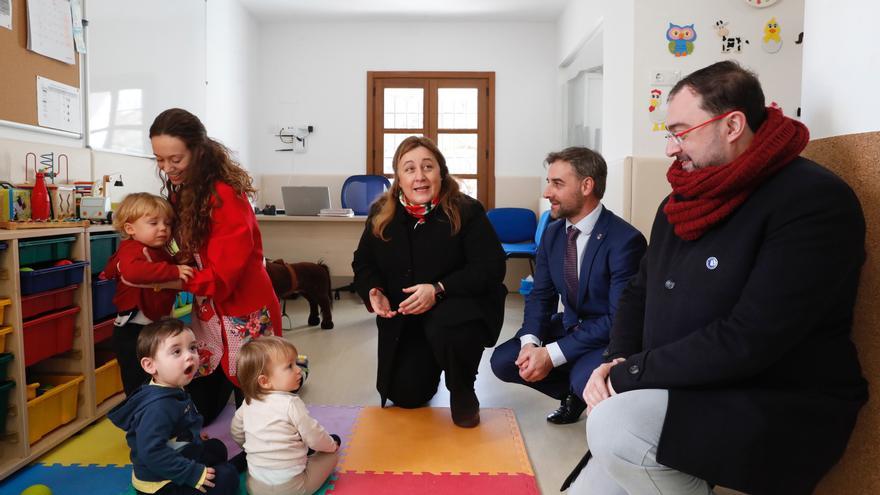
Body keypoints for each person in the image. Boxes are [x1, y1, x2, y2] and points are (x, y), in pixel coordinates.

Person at [566, 61, 867, 495]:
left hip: (772, 400)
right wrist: (616, 360)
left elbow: (752, 337)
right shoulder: (683, 199)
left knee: (616, 426)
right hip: (682, 387)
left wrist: (628, 375)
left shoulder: (812, 201)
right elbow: (639, 293)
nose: (671, 149)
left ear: (732, 125)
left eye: (681, 132)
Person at [351, 136, 507, 428]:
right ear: (398, 177)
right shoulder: (381, 214)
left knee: (446, 323)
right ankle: (433, 359)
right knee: (406, 395)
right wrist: (374, 290)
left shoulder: (466, 210)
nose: (419, 176)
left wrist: (438, 289)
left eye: (428, 167)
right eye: (409, 169)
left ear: (441, 172)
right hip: (407, 319)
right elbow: (363, 262)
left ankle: (462, 389)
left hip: (458, 312)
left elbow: (491, 266)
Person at [490, 147, 646, 424]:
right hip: (570, 325)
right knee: (505, 361)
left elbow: (617, 319)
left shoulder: (625, 241)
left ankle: (578, 391)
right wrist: (532, 343)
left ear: (587, 186)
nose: (547, 192)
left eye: (557, 184)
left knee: (581, 378)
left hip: (607, 337)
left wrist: (550, 355)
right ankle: (573, 391)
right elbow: (541, 296)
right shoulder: (553, 233)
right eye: (548, 182)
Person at [147, 108, 282, 425]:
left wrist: (172, 281)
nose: (167, 169)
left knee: (260, 405)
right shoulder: (184, 190)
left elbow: (223, 278)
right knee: (203, 407)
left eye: (175, 160)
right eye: (159, 160)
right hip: (210, 311)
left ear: (198, 151)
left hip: (244, 308)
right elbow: (191, 250)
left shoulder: (223, 197)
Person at [108, 318, 239, 495]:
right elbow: (152, 454)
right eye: (176, 351)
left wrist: (193, 435)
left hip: (178, 454)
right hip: (160, 483)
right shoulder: (157, 407)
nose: (189, 355)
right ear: (150, 365)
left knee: (217, 448)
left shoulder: (172, 387)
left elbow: (178, 424)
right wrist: (193, 474)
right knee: (227, 476)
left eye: (192, 348)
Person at [102, 192, 195, 396]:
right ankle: (141, 423)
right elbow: (133, 272)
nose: (163, 228)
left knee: (154, 381)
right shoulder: (132, 249)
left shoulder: (157, 248)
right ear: (130, 228)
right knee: (139, 385)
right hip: (133, 331)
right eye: (154, 223)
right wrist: (174, 272)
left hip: (150, 327)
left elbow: (173, 261)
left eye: (167, 223)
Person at [232, 336, 340, 495]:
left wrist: (252, 447)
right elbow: (314, 436)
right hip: (291, 488)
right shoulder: (291, 404)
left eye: (296, 363)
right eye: (289, 366)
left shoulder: (248, 402)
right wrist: (331, 446)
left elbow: (236, 431)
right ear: (264, 381)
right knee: (331, 456)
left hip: (255, 487)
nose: (298, 370)